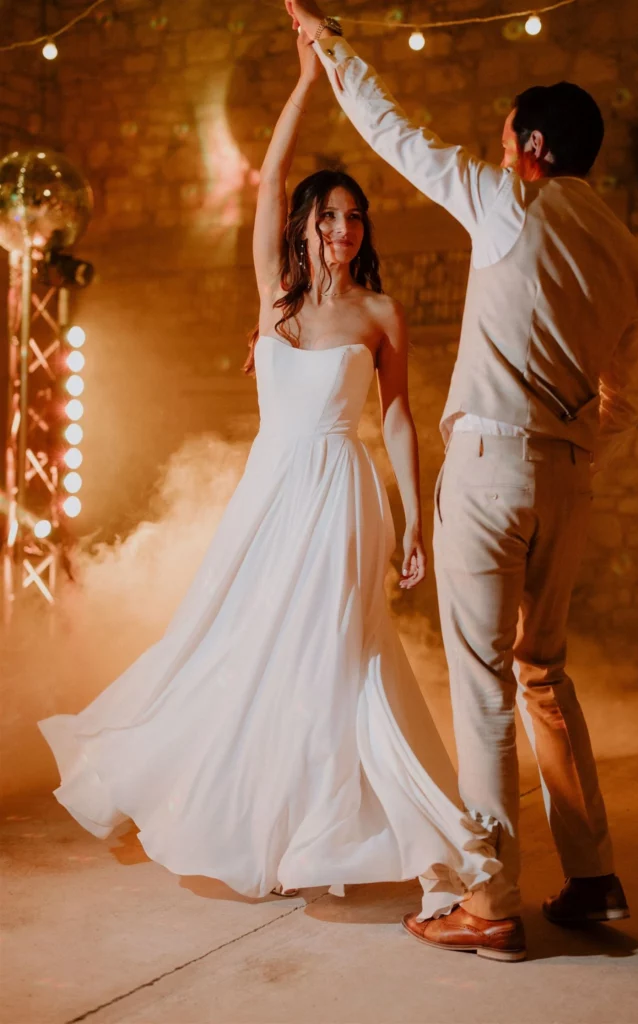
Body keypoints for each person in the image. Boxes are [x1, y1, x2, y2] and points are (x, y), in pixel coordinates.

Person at [38, 27, 512, 954]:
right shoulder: (276, 303)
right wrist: (306, 79)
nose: (344, 229)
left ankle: (425, 850)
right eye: (329, 216)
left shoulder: (380, 313)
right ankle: (208, 794)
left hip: (341, 493)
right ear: (304, 225)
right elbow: (266, 177)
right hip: (267, 496)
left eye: (355, 218)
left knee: (344, 657)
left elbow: (405, 418)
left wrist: (416, 518)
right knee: (234, 643)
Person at [286, 0, 638, 961]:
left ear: (529, 146)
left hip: (492, 466)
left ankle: (490, 899)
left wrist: (331, 47)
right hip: (568, 477)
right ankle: (593, 873)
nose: (498, 153)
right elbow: (627, 397)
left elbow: (389, 129)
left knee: (484, 678)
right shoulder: (630, 254)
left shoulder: (508, 201)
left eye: (504, 140)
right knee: (546, 668)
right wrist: (572, 449)